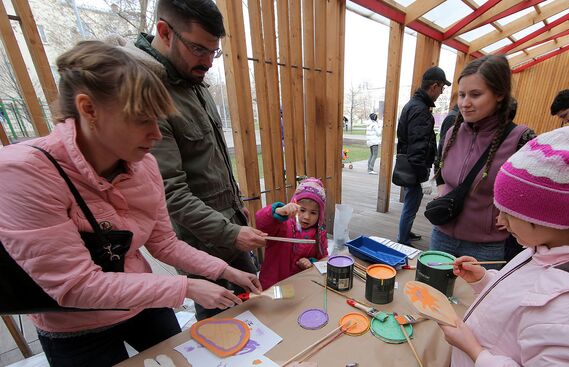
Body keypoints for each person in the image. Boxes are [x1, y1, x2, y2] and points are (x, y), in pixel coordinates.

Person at [0, 41, 261, 367]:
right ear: (89, 109)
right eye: (142, 119)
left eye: (158, 120)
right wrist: (187, 286)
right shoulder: (23, 173)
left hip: (142, 304)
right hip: (73, 325)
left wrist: (224, 270)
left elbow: (164, 243)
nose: (156, 134)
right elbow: (77, 286)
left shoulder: (144, 165)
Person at [439, 124, 569, 366]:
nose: (500, 221)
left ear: (553, 217)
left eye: (508, 213)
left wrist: (474, 350)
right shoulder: (546, 248)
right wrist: (485, 280)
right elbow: (525, 296)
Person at [112, 0, 267, 320]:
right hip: (201, 244)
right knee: (223, 329)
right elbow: (170, 195)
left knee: (254, 313)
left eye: (214, 51)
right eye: (199, 49)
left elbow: (210, 166)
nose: (209, 62)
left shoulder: (194, 80)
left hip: (227, 231)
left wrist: (234, 214)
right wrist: (228, 231)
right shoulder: (147, 92)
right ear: (164, 32)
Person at [432, 55, 534, 266]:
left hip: (485, 246)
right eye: (461, 95)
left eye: (475, 95)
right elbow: (439, 164)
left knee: (477, 298)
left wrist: (511, 214)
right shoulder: (452, 131)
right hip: (442, 234)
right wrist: (442, 188)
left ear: (499, 94)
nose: (465, 103)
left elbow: (536, 191)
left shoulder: (520, 139)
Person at [395, 66, 450, 246]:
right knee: (411, 205)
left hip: (410, 167)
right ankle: (402, 240)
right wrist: (422, 179)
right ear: (434, 86)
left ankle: (405, 232)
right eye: (442, 88)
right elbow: (418, 147)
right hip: (414, 169)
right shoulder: (420, 110)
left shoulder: (414, 105)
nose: (441, 92)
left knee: (410, 203)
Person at [256, 178, 328, 289]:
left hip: (300, 287)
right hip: (272, 285)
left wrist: (311, 262)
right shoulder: (282, 225)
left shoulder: (320, 234)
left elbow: (323, 260)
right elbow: (261, 222)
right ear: (294, 205)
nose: (306, 217)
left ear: (320, 215)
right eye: (302, 210)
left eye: (313, 212)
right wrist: (277, 211)